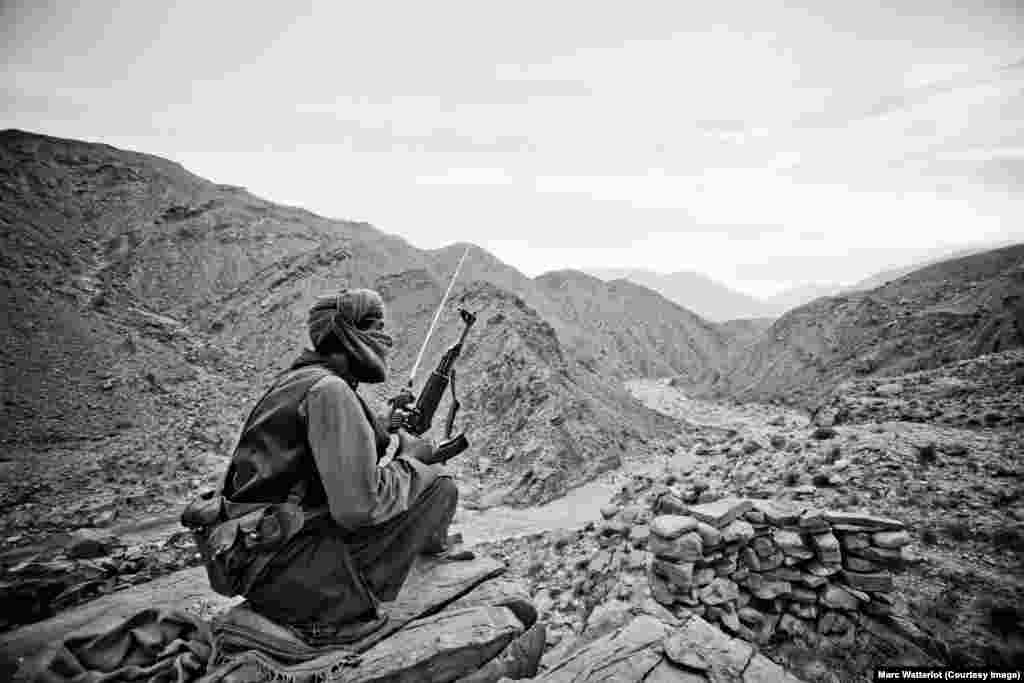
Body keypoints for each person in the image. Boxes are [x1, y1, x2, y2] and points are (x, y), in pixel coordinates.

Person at [207, 288, 465, 645]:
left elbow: (309, 461)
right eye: (376, 328)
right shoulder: (330, 392)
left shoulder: (301, 380)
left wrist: (380, 426)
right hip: (292, 572)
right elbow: (358, 508)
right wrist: (411, 460)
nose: (386, 339)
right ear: (349, 334)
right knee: (439, 484)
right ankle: (333, 614)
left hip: (257, 560)